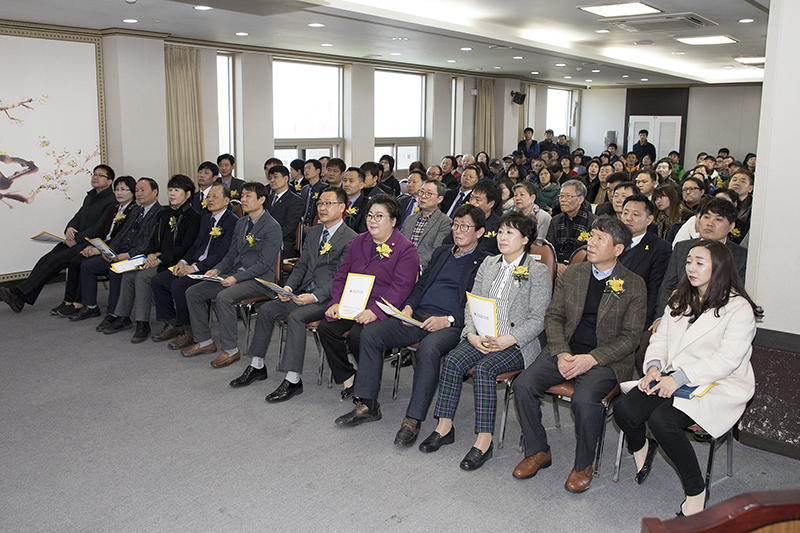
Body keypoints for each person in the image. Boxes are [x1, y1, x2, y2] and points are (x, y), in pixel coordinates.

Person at [614, 240, 760, 516]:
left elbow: (726, 360)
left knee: (662, 421)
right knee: (624, 409)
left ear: (719, 268)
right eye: (689, 261)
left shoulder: (739, 309)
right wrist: (655, 366)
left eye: (700, 263)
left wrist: (679, 377)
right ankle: (642, 446)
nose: (691, 268)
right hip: (674, 376)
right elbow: (661, 339)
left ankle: (696, 490)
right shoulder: (679, 297)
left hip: (716, 383)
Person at [512, 216, 647, 492]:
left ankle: (584, 463)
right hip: (566, 349)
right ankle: (538, 450)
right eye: (591, 236)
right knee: (523, 384)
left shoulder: (634, 284)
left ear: (618, 249)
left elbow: (631, 337)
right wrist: (561, 352)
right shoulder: (573, 274)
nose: (591, 243)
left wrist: (592, 359)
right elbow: (553, 316)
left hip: (605, 359)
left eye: (600, 239)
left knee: (585, 401)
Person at [335, 204, 490, 436]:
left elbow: (477, 303)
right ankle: (368, 404)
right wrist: (408, 307)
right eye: (455, 225)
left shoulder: (485, 262)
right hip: (418, 316)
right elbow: (421, 285)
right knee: (371, 333)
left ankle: (413, 419)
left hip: (450, 324)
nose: (458, 231)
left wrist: (447, 319)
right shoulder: (442, 252)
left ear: (479, 232)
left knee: (428, 349)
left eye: (465, 227)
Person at [422, 213, 551, 471]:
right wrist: (470, 333)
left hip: (515, 343)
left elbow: (539, 319)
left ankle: (484, 441)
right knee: (453, 361)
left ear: (525, 240)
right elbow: (472, 303)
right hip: (481, 335)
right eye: (501, 232)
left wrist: (510, 339)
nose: (502, 238)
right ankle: (444, 427)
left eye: (510, 233)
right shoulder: (489, 263)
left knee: (484, 369)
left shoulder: (537, 271)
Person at [229, 188, 357, 400]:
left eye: (328, 203)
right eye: (320, 204)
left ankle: (293, 379)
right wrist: (288, 288)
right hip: (303, 291)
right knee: (268, 310)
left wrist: (314, 297)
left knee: (297, 317)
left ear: (342, 207)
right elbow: (301, 265)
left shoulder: (351, 238)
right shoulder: (314, 232)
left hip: (330, 298)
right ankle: (257, 365)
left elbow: (342, 279)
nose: (322, 208)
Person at [319, 195, 420, 401]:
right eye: (370, 215)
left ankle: (367, 382)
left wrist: (375, 311)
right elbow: (342, 275)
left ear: (393, 221)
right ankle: (349, 378)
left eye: (379, 216)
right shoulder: (359, 240)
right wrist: (336, 302)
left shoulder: (405, 249)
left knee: (359, 335)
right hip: (352, 304)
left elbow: (400, 289)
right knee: (326, 328)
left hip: (382, 307)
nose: (372, 220)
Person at [181, 182, 282, 367]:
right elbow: (232, 254)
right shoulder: (241, 222)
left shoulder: (272, 226)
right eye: (242, 195)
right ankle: (204, 341)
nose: (243, 199)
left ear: (261, 199)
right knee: (194, 292)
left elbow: (264, 264)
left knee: (224, 297)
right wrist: (218, 269)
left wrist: (236, 278)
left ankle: (230, 350)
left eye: (248, 196)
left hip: (259, 279)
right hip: (234, 273)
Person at [1, 165, 116, 313]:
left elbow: (98, 229)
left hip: (88, 244)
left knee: (54, 262)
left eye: (101, 175)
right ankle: (19, 297)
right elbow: (78, 217)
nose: (95, 177)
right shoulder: (91, 196)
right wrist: (69, 228)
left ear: (109, 181)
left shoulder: (111, 200)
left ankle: (18, 295)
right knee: (46, 259)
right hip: (76, 240)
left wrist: (77, 239)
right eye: (94, 174)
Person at [106, 174, 201, 342]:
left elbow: (184, 248)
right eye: (170, 190)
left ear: (187, 194)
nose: (172, 193)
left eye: (176, 190)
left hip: (173, 262)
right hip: (156, 259)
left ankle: (143, 323)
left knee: (142, 277)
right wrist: (150, 254)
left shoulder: (194, 217)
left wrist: (159, 259)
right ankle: (122, 317)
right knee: (128, 275)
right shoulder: (164, 214)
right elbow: (152, 242)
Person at [150, 183, 238, 349]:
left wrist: (195, 268)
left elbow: (222, 254)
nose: (209, 200)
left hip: (214, 267)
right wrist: (183, 262)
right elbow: (196, 246)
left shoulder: (233, 222)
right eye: (208, 196)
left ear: (226, 200)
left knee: (179, 285)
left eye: (215, 196)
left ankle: (190, 331)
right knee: (159, 280)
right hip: (196, 263)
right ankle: (174, 323)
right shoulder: (206, 218)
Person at [69, 177, 164, 324]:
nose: (138, 194)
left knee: (115, 271)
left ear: (155, 192)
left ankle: (114, 313)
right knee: (87, 265)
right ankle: (91, 306)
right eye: (137, 190)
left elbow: (149, 243)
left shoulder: (160, 213)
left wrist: (128, 255)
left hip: (138, 256)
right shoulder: (136, 210)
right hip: (120, 253)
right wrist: (109, 251)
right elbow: (121, 234)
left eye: (142, 190)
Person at [652, 197, 747, 332]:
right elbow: (668, 285)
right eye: (706, 217)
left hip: (718, 322)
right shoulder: (682, 248)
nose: (710, 223)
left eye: (718, 219)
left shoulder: (741, 256)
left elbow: (737, 293)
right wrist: (661, 317)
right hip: (680, 316)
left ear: (732, 226)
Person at [50, 176, 137, 318]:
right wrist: (90, 245)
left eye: (123, 189)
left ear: (132, 192)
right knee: (75, 260)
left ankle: (82, 303)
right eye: (116, 189)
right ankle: (73, 302)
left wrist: (99, 249)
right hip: (103, 246)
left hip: (117, 251)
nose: (119, 193)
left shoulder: (134, 211)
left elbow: (122, 238)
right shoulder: (113, 208)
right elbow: (99, 229)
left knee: (85, 264)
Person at [620, 195, 671, 328]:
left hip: (633, 316)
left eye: (635, 214)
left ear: (649, 219)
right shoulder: (612, 240)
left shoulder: (659, 248)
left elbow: (655, 289)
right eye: (625, 213)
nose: (628, 218)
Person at [546, 180, 596, 275]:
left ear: (581, 199)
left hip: (583, 269)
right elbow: (550, 247)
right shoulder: (556, 220)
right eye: (561, 196)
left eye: (568, 196)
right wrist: (557, 264)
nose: (563, 200)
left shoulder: (593, 221)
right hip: (558, 268)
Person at [401, 180, 452, 269]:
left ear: (440, 199)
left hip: (424, 270)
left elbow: (436, 251)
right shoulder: (410, 219)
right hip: (401, 265)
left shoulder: (445, 222)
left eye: (429, 193)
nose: (423, 196)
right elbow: (400, 244)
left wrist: (409, 262)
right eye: (421, 192)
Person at [265, 164, 304, 260]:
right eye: (270, 178)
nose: (272, 180)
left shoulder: (295, 201)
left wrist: (268, 237)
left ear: (286, 178)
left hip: (283, 242)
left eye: (275, 177)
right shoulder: (267, 199)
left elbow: (289, 228)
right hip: (266, 239)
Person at [300, 159, 329, 228]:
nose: (306, 171)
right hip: (303, 227)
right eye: (305, 169)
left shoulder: (325, 188)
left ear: (318, 171)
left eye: (309, 168)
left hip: (317, 225)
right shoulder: (304, 189)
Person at [342, 167, 369, 233]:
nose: (346, 184)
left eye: (351, 181)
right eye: (345, 180)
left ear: (361, 185)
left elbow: (363, 232)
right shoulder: (337, 202)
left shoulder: (367, 205)